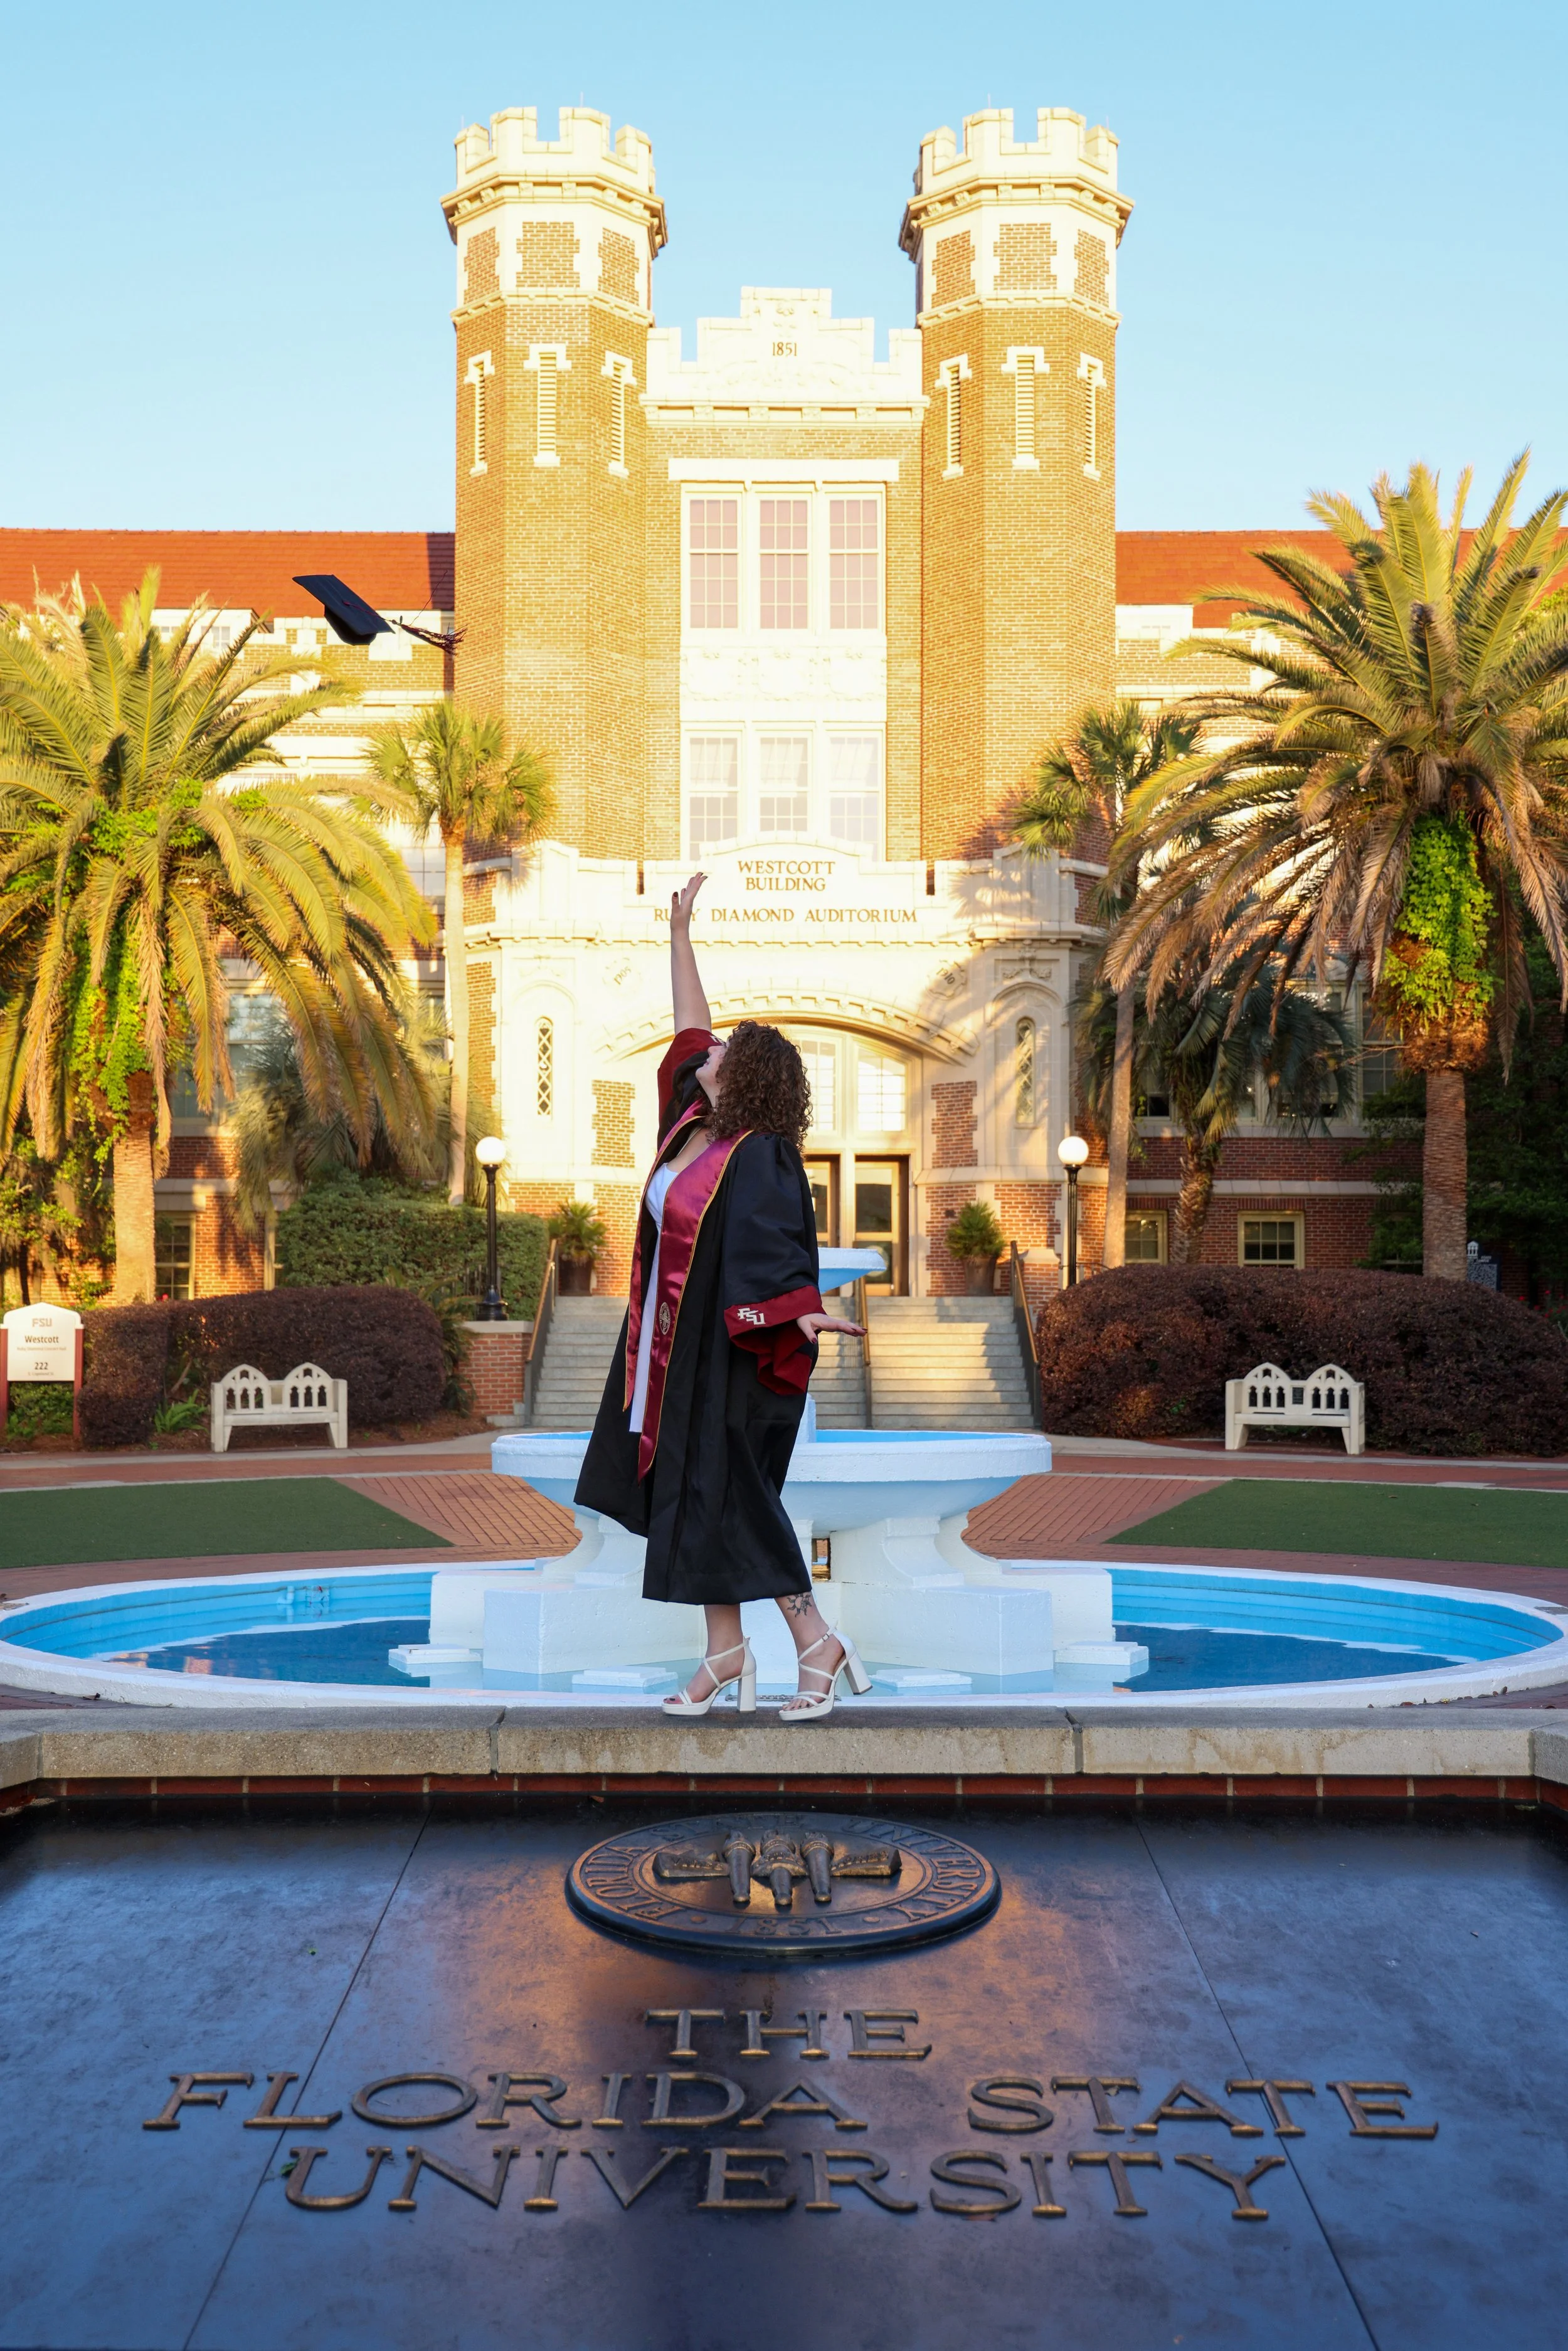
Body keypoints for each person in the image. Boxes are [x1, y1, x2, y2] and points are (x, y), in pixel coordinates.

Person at [574, 873, 871, 1721]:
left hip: (731, 1353)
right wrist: (678, 936)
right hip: (671, 1349)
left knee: (734, 1494)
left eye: (725, 1050)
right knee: (691, 1495)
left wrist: (797, 1306)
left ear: (744, 1079)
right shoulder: (684, 1130)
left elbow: (779, 1244)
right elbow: (686, 1025)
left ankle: (816, 1641)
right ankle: (726, 1654)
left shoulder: (759, 1153)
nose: (708, 1049)